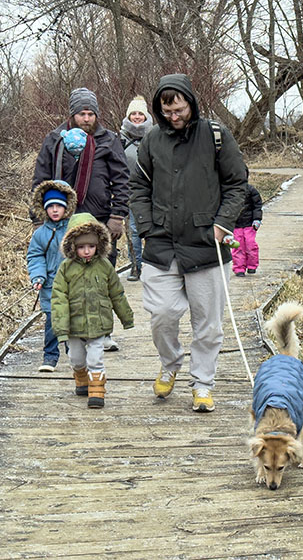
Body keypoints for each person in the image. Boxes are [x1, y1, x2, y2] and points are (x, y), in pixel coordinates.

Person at [129, 73, 247, 413]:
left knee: (207, 324)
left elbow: (237, 182)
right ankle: (170, 363)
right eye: (167, 112)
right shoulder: (151, 140)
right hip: (162, 244)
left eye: (179, 110)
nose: (174, 117)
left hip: (206, 244)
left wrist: (223, 224)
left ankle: (203, 384)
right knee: (162, 315)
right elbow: (137, 185)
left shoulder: (215, 135)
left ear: (191, 104)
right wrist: (147, 227)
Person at [32, 87, 129, 351]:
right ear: (72, 114)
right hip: (62, 219)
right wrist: (38, 218)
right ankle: (72, 332)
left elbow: (121, 179)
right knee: (66, 276)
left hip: (99, 219)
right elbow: (41, 179)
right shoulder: (55, 139)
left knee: (101, 275)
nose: (86, 119)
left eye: (90, 114)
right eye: (81, 114)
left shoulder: (109, 140)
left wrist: (118, 215)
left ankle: (102, 332)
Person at [51, 213, 135, 409]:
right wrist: (61, 327)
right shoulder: (66, 269)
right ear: (73, 247)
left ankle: (97, 389)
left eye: (91, 246)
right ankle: (81, 375)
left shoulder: (105, 267)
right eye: (81, 247)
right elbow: (59, 298)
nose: (87, 251)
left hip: (98, 323)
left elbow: (117, 293)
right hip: (74, 323)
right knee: (76, 358)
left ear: (99, 244)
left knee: (95, 358)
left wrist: (126, 317)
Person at [26, 180, 77, 373]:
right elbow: (35, 256)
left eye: (59, 206)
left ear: (66, 207)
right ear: (45, 209)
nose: (55, 210)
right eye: (51, 207)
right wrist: (38, 276)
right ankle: (50, 356)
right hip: (50, 285)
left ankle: (74, 354)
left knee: (72, 320)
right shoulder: (40, 234)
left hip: (73, 284)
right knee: (52, 320)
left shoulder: (74, 230)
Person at [119, 95, 154, 281]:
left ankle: (152, 267)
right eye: (134, 113)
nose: (137, 117)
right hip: (129, 192)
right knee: (133, 232)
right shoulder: (121, 138)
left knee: (152, 230)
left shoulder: (155, 136)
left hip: (152, 192)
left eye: (141, 113)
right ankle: (136, 267)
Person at [232, 166, 263, 277]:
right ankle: (239, 268)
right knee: (237, 246)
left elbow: (257, 205)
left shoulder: (251, 190)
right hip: (236, 225)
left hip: (250, 224)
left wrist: (257, 219)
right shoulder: (230, 192)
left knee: (250, 244)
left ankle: (252, 265)